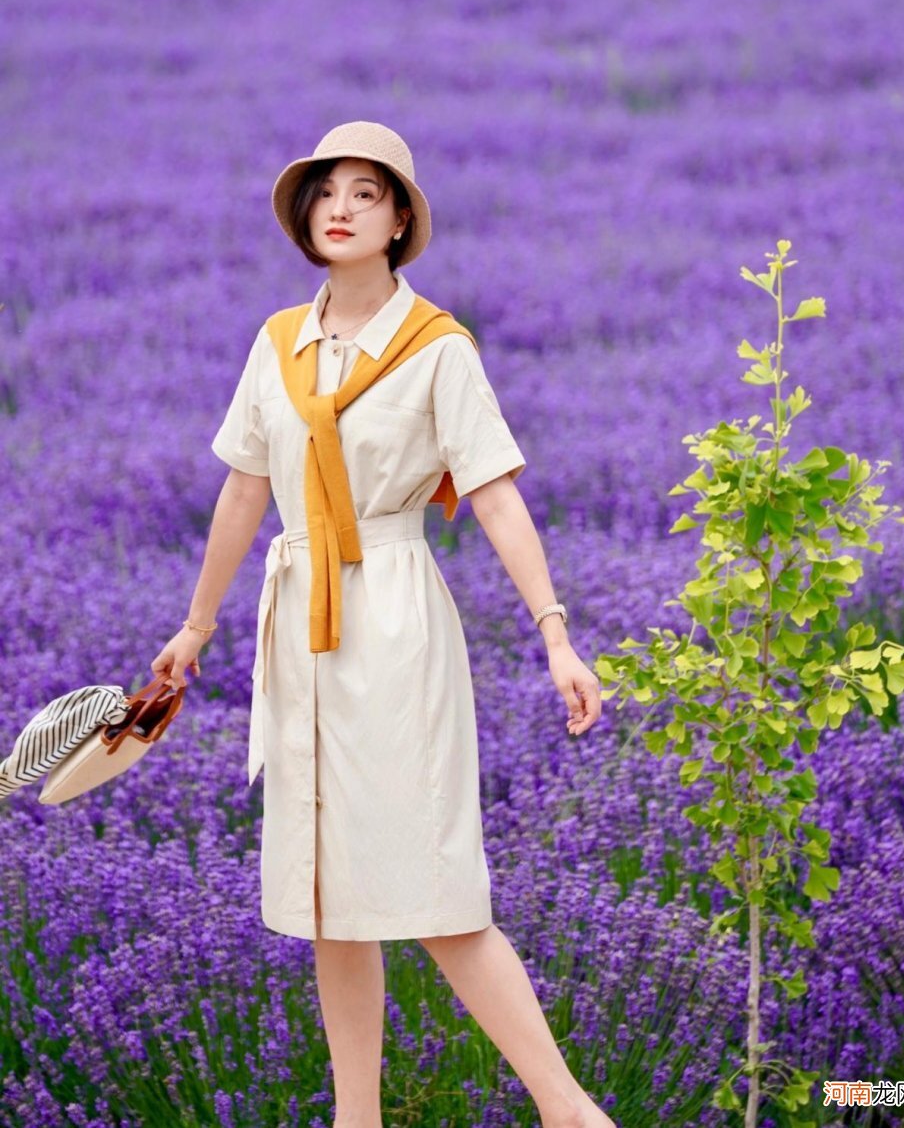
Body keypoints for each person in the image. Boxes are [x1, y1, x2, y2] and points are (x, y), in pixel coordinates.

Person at [151, 122, 616, 1128]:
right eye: (327, 191)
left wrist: (555, 633)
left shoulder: (438, 349)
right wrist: (195, 629)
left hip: (396, 620)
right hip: (298, 627)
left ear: (400, 219)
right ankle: (353, 1119)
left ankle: (567, 1109)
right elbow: (241, 494)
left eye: (368, 192)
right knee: (328, 902)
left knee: (438, 890)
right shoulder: (277, 344)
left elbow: (493, 496)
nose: (342, 207)